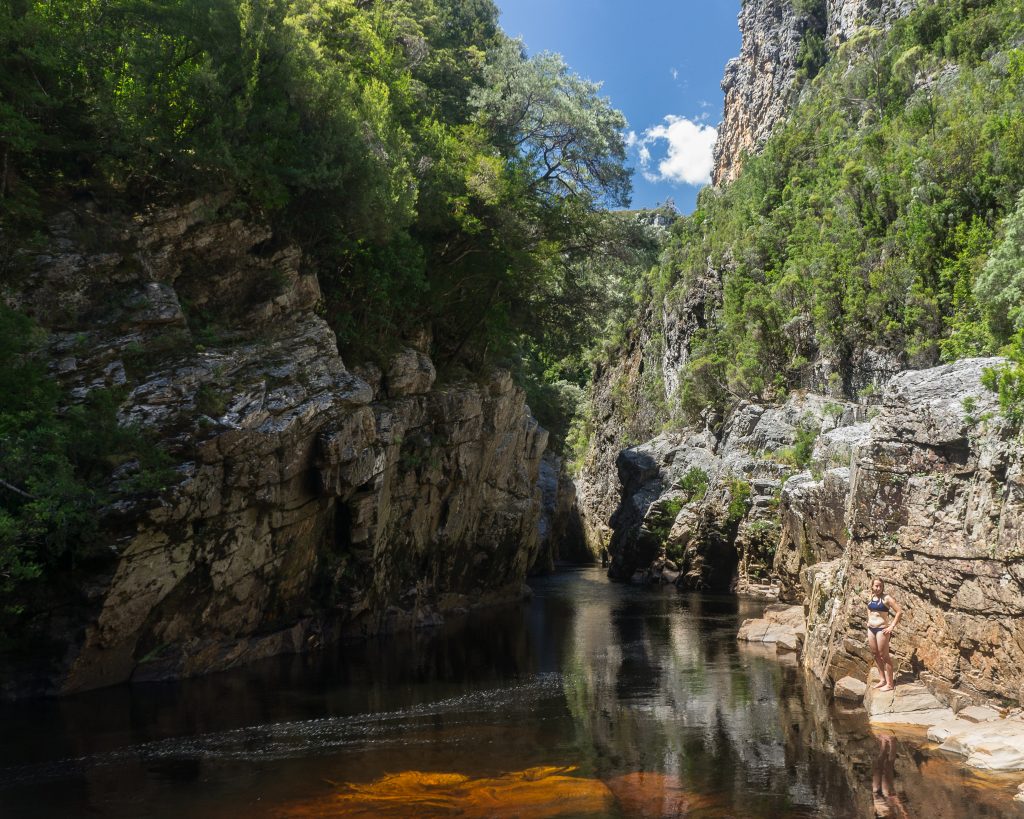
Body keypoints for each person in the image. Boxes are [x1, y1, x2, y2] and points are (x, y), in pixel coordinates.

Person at [867, 578, 902, 692]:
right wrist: (869, 620)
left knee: (884, 656)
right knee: (875, 654)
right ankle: (882, 679)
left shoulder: (886, 598)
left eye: (880, 586)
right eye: (876, 586)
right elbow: (869, 609)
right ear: (872, 586)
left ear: (883, 587)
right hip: (871, 629)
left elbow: (899, 611)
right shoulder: (871, 596)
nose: (878, 588)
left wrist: (891, 626)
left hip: (882, 630)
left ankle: (890, 684)